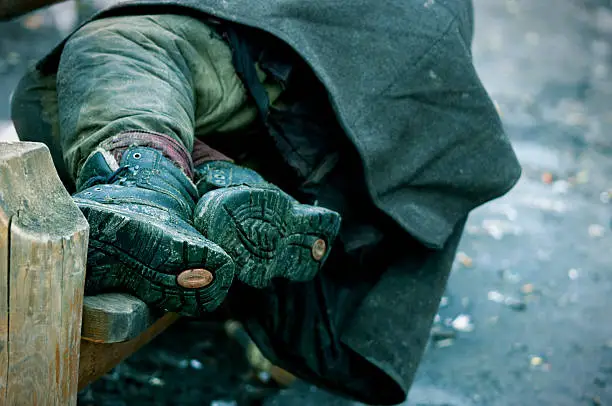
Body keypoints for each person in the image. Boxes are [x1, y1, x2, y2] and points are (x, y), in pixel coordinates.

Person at [9, 0, 522, 404]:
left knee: (107, 53)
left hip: (325, 37)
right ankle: (224, 182)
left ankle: (144, 185)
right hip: (414, 72)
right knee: (134, 92)